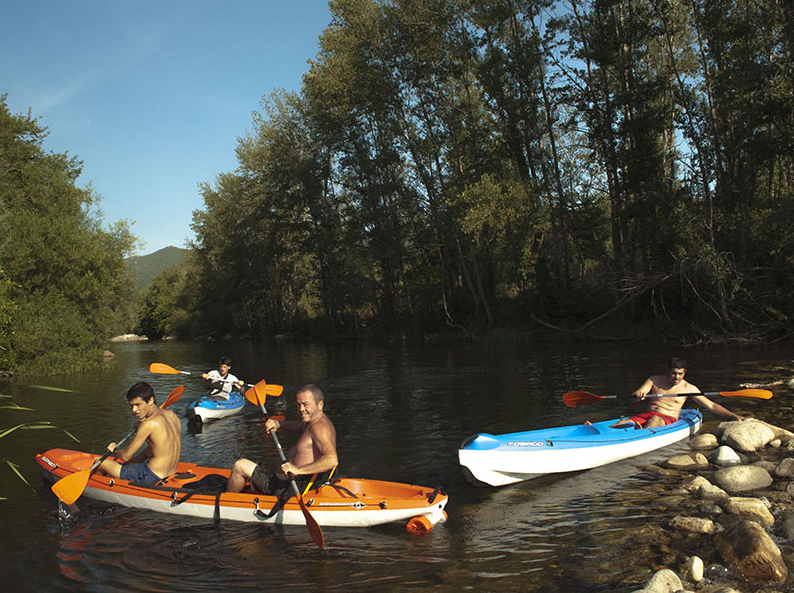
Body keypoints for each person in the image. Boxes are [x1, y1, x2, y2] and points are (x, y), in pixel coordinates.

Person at [226, 384, 338, 494]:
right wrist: (279, 423)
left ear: (320, 405)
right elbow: (300, 426)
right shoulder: (312, 423)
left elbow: (331, 460)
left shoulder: (320, 428)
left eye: (305, 404)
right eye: (298, 405)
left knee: (239, 466)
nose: (301, 409)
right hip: (289, 480)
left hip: (290, 487)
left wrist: (298, 470)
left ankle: (226, 504)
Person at [612, 357, 747, 429]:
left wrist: (734, 416)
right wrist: (638, 395)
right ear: (668, 371)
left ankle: (640, 437)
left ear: (684, 373)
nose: (676, 377)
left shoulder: (689, 388)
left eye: (680, 374)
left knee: (655, 420)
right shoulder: (654, 380)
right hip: (646, 415)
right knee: (621, 424)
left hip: (666, 418)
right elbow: (635, 399)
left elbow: (711, 406)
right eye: (673, 373)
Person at [98, 381, 182, 485]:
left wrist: (115, 449)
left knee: (101, 463)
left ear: (151, 400)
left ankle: (104, 485)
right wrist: (141, 425)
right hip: (171, 472)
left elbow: (125, 456)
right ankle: (125, 471)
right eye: (131, 406)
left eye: (138, 405)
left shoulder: (148, 424)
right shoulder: (172, 416)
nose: (134, 410)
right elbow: (160, 446)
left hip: (151, 476)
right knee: (134, 460)